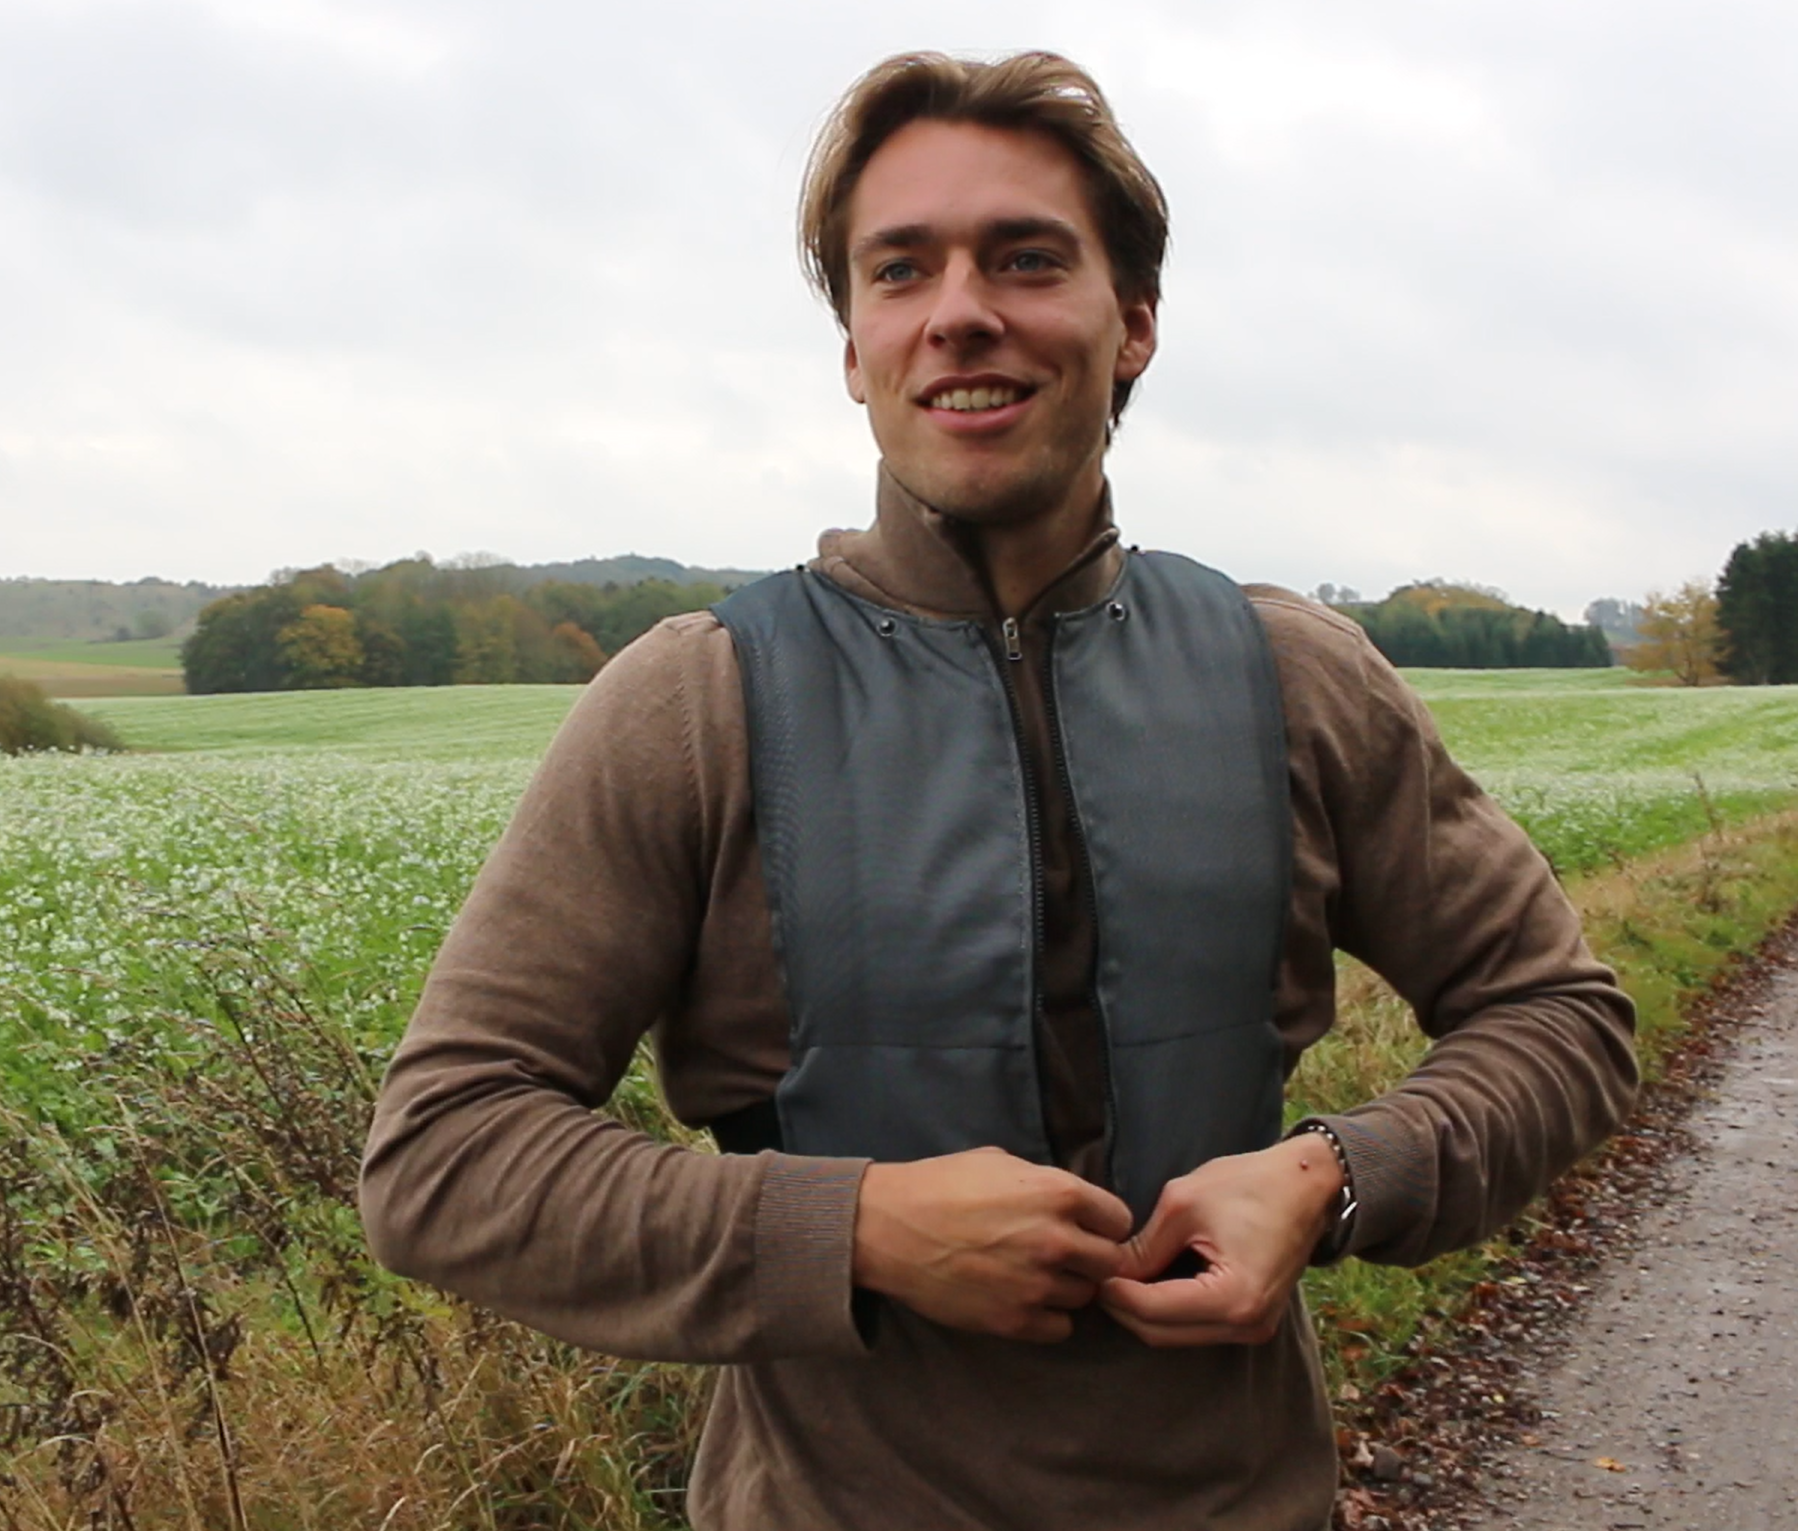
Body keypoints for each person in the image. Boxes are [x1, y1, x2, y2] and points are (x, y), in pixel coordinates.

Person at [360, 50, 1637, 1531]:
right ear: (856, 347)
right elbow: (444, 1153)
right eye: (900, 269)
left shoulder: (1291, 674)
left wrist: (1337, 1175)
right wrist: (849, 1227)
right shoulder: (699, 700)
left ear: (1133, 321)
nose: (959, 309)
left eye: (1026, 259)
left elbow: (1559, 1017)